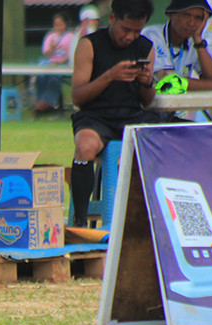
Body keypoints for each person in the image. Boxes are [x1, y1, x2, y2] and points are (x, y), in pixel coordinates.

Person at [69, 0, 158, 228]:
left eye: (137, 31)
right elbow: (77, 96)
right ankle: (80, 219)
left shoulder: (145, 47)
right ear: (112, 19)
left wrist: (147, 82)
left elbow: (147, 101)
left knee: (168, 138)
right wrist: (109, 76)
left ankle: (150, 216)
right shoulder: (90, 44)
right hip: (96, 116)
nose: (130, 37)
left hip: (131, 115)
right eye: (126, 30)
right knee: (85, 146)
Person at [141, 0, 212, 93]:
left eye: (198, 18)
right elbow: (168, 80)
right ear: (170, 14)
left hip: (176, 109)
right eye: (186, 15)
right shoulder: (151, 36)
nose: (191, 23)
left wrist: (198, 41)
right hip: (148, 108)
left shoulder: (193, 43)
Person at [34, 13, 75, 113]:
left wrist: (59, 62)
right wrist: (52, 48)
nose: (58, 27)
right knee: (41, 76)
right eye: (56, 24)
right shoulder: (50, 36)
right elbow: (46, 53)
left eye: (60, 24)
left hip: (64, 64)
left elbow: (70, 54)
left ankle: (49, 102)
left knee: (54, 76)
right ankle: (41, 101)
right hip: (50, 62)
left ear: (65, 24)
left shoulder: (71, 36)